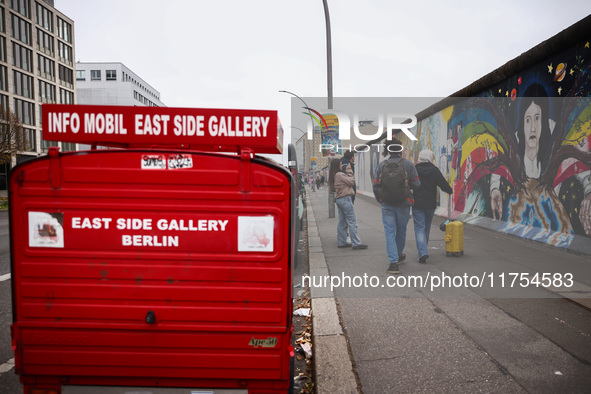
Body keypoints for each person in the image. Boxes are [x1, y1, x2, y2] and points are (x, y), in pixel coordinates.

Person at [373, 137, 420, 274]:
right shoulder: (408, 165)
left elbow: (376, 185)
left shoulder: (382, 165)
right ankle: (398, 255)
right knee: (401, 231)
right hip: (404, 203)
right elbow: (417, 184)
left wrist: (380, 199)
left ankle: (393, 263)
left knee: (389, 232)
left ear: (388, 149)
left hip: (387, 204)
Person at [413, 149, 453, 263]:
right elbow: (443, 184)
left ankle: (422, 252)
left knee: (419, 228)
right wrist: (450, 190)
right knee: (426, 228)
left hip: (417, 203)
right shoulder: (433, 170)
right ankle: (423, 250)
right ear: (430, 157)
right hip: (430, 204)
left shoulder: (415, 169)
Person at [329, 158, 367, 250]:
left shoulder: (334, 175)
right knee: (352, 221)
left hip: (339, 200)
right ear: (337, 165)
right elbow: (351, 182)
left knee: (342, 222)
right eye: (341, 164)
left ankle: (341, 242)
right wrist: (349, 171)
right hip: (345, 199)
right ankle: (356, 243)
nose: (342, 166)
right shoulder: (339, 174)